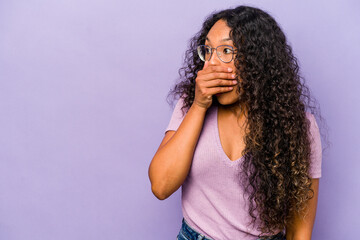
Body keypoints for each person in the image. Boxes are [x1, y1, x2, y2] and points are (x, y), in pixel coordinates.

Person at [148, 5, 323, 240]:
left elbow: (299, 230)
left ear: (258, 60)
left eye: (227, 51)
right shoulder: (191, 103)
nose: (211, 64)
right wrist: (199, 106)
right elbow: (160, 186)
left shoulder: (297, 127)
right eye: (208, 51)